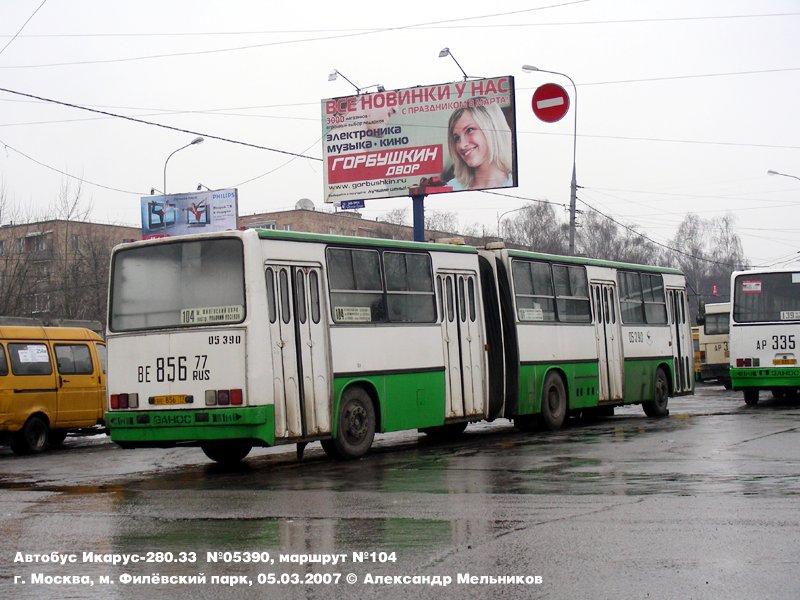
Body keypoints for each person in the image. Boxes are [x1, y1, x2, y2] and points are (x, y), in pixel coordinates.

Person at [445, 100, 514, 191]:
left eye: (469, 130)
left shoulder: (515, 183)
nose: (462, 145)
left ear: (492, 129)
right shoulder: (450, 187)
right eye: (457, 138)